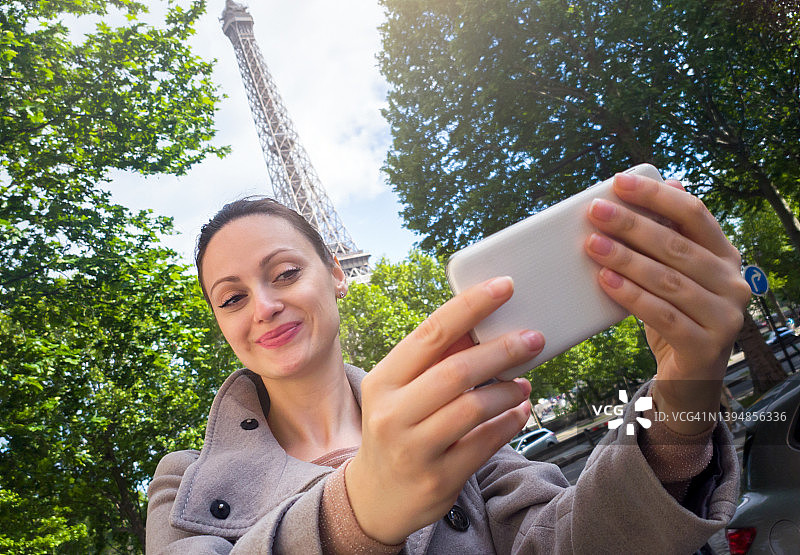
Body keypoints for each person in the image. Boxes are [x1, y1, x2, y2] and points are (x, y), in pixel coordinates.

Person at [146, 172, 752, 553]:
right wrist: (355, 511)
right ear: (223, 325)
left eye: (285, 272)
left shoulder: (449, 416)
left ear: (337, 274)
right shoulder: (182, 484)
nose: (266, 306)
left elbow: (571, 541)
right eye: (232, 298)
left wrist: (681, 403)